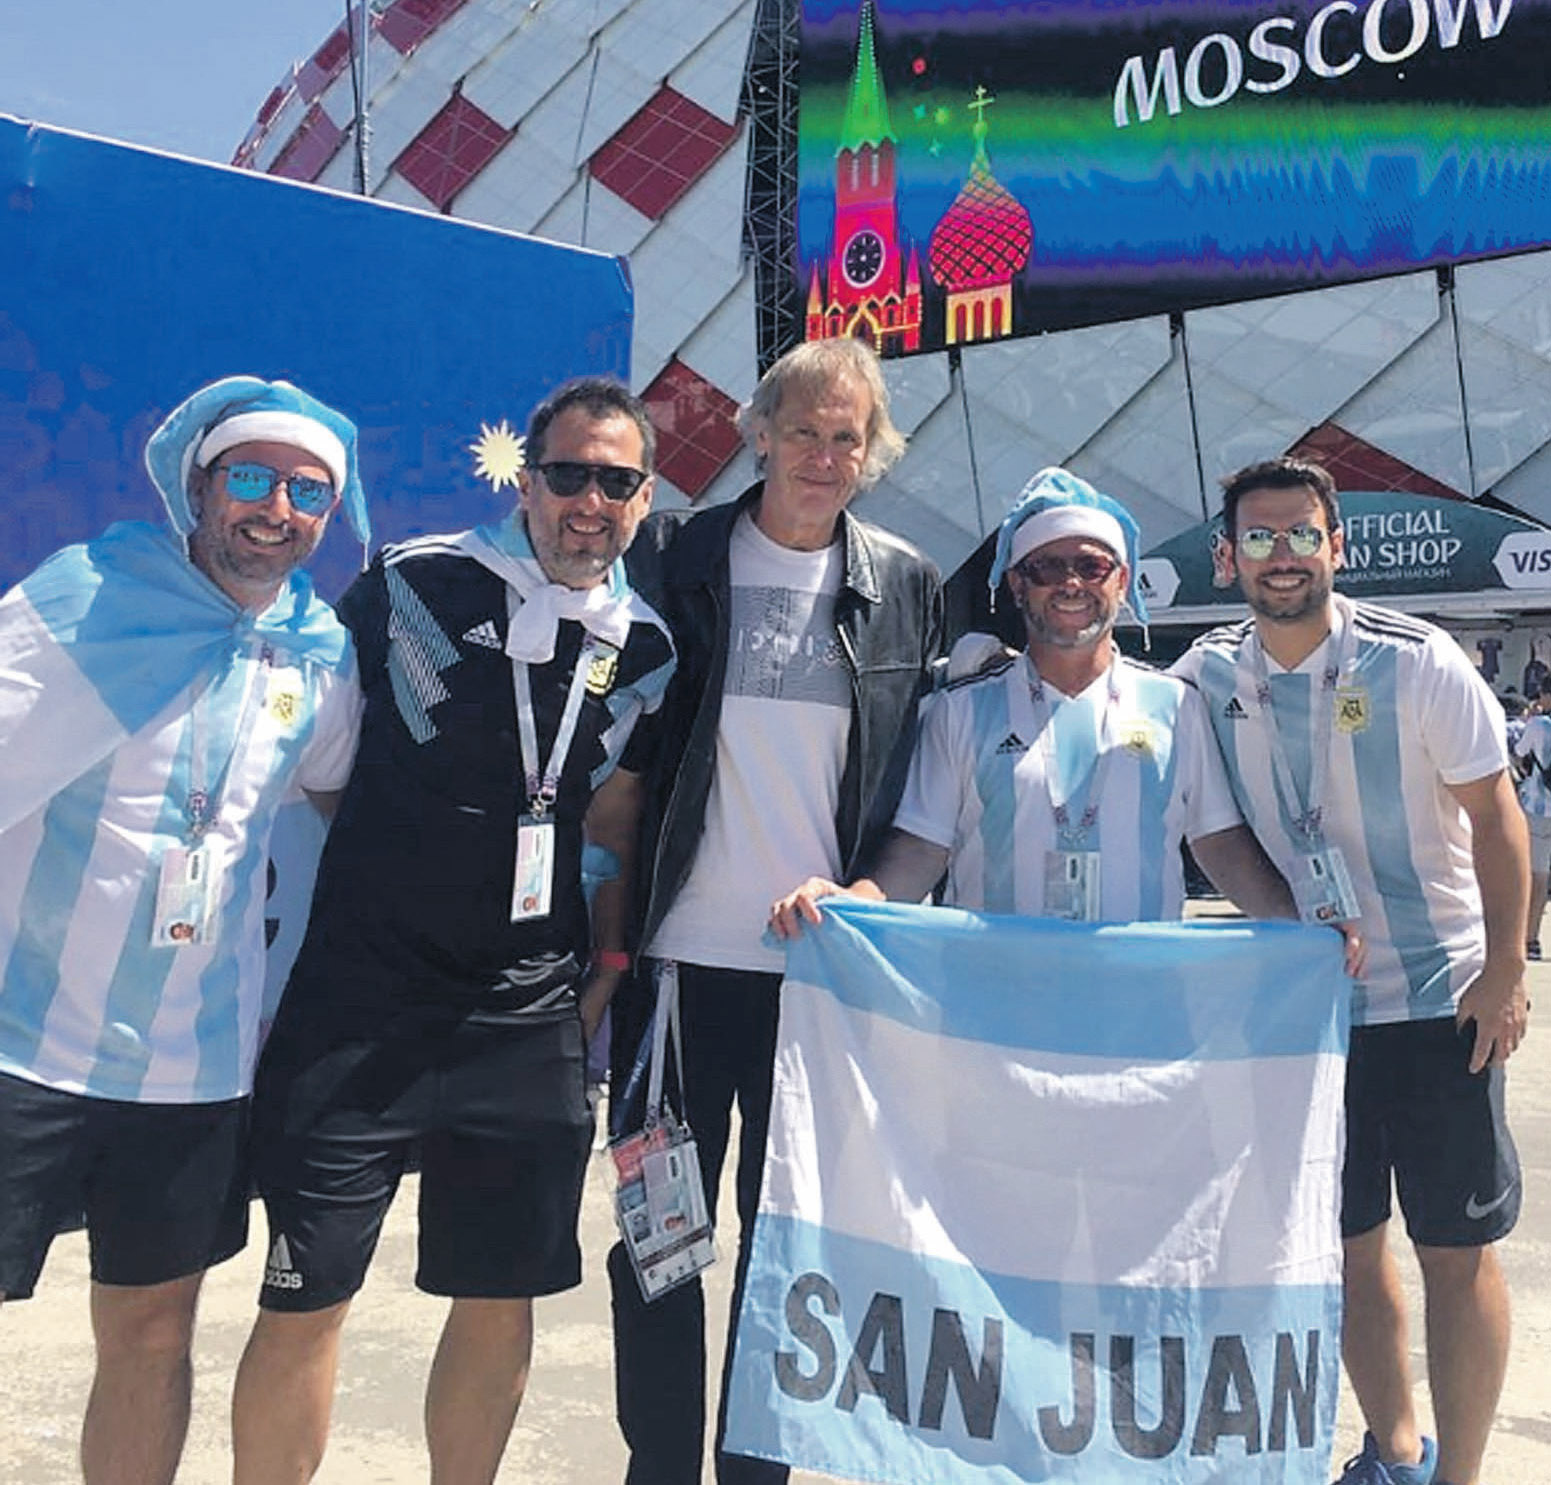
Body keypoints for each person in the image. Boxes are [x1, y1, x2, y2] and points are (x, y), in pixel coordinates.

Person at [230, 378, 675, 1485]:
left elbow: (612, 815)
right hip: (362, 1003)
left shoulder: (646, 646)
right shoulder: (411, 581)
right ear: (527, 481)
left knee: (498, 1297)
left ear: (644, 496)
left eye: (614, 481)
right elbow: (323, 761)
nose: (588, 501)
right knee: (305, 1297)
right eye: (566, 474)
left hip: (522, 1016)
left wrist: (605, 965)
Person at [0, 376, 366, 1485]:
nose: (276, 508)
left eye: (308, 490)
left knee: (154, 1335)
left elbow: (339, 799)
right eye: (251, 478)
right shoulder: (88, 600)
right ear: (197, 487)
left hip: (190, 1071)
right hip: (22, 1045)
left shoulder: (318, 653)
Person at [610, 337, 943, 1485]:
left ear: (873, 453)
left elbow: (921, 794)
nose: (823, 456)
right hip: (674, 968)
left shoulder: (903, 585)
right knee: (656, 1244)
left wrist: (869, 901)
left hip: (819, 984)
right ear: (759, 434)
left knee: (786, 1250)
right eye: (803, 431)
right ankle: (660, 1470)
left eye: (847, 438)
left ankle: (758, 1471)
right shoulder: (674, 557)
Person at [1172, 456, 1528, 1485]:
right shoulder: (1203, 677)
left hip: (1437, 999)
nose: (1280, 556)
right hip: (1309, 1011)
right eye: (1258, 538)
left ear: (1336, 546)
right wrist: (1289, 927)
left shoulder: (1416, 661)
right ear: (1228, 557)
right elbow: (1215, 834)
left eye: (1300, 535)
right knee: (1347, 1243)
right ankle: (1397, 1452)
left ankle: (1460, 1476)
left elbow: (1496, 817)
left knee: (1455, 1250)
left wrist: (1504, 968)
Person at [770, 466, 1301, 928]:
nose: (1071, 584)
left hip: (1137, 999)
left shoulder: (1177, 707)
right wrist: (851, 906)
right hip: (997, 997)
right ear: (1018, 584)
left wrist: (1306, 930)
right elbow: (920, 848)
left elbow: (1221, 846)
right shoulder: (960, 711)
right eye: (1047, 568)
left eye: (1092, 567)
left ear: (1122, 581)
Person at [1513, 687, 1551, 960]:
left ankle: (1530, 939)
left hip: (1539, 806)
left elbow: (1519, 751)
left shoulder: (1539, 725)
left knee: (1536, 877)